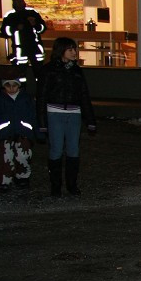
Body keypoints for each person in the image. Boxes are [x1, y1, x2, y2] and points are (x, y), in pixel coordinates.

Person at [37, 38, 97, 197]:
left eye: (74, 49)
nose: (74, 52)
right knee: (56, 150)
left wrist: (90, 120)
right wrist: (42, 122)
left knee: (73, 150)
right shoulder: (48, 70)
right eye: (70, 49)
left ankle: (72, 185)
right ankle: (55, 187)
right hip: (54, 113)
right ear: (61, 50)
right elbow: (41, 96)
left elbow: (84, 95)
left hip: (74, 113)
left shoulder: (76, 71)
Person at [0, 73, 37, 192]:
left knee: (23, 155)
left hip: (23, 131)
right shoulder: (0, 99)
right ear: (3, 86)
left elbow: (33, 116)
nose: (11, 88)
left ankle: (22, 177)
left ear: (19, 86)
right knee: (6, 157)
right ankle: (5, 180)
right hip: (5, 132)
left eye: (14, 85)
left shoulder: (26, 98)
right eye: (8, 85)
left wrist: (37, 132)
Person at [1, 0, 46, 80]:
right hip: (20, 50)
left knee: (39, 74)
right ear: (13, 3)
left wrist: (35, 25)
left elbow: (43, 28)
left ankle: (40, 91)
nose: (19, 3)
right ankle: (22, 91)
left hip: (35, 48)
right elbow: (4, 31)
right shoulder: (10, 16)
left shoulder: (32, 13)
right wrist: (16, 28)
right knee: (21, 75)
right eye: (17, 1)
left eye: (21, 0)